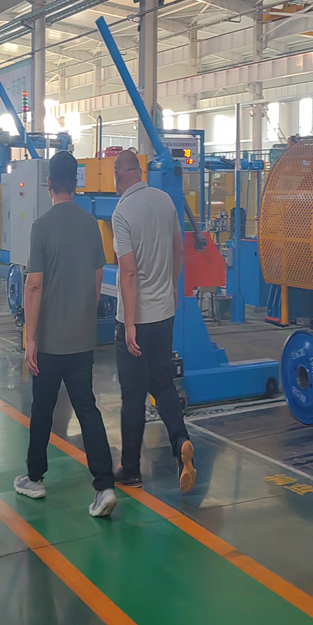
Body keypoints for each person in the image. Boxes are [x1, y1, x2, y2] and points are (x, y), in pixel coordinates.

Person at [14, 150, 118, 518]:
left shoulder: (41, 226)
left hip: (48, 341)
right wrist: (85, 315)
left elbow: (34, 285)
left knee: (42, 408)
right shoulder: (91, 224)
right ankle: (104, 485)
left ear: (49, 184)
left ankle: (34, 478)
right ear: (76, 183)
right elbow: (97, 276)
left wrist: (30, 338)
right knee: (86, 407)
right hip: (81, 337)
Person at [111, 148, 196, 493]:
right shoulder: (165, 201)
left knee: (132, 395)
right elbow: (179, 249)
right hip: (164, 314)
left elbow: (128, 272)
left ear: (118, 176)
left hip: (137, 320)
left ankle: (130, 469)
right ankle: (180, 442)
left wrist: (130, 323)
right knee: (162, 384)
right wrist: (172, 286)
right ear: (140, 172)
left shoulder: (122, 212)